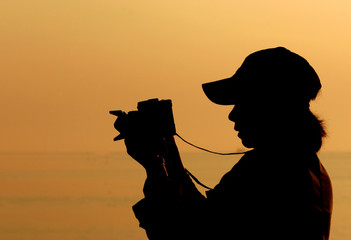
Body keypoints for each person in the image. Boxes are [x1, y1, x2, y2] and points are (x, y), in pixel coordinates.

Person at [122, 47, 332, 240]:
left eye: (244, 103)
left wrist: (153, 166)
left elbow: (183, 233)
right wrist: (168, 152)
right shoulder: (301, 164)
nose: (233, 114)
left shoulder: (269, 169)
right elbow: (203, 217)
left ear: (272, 105)